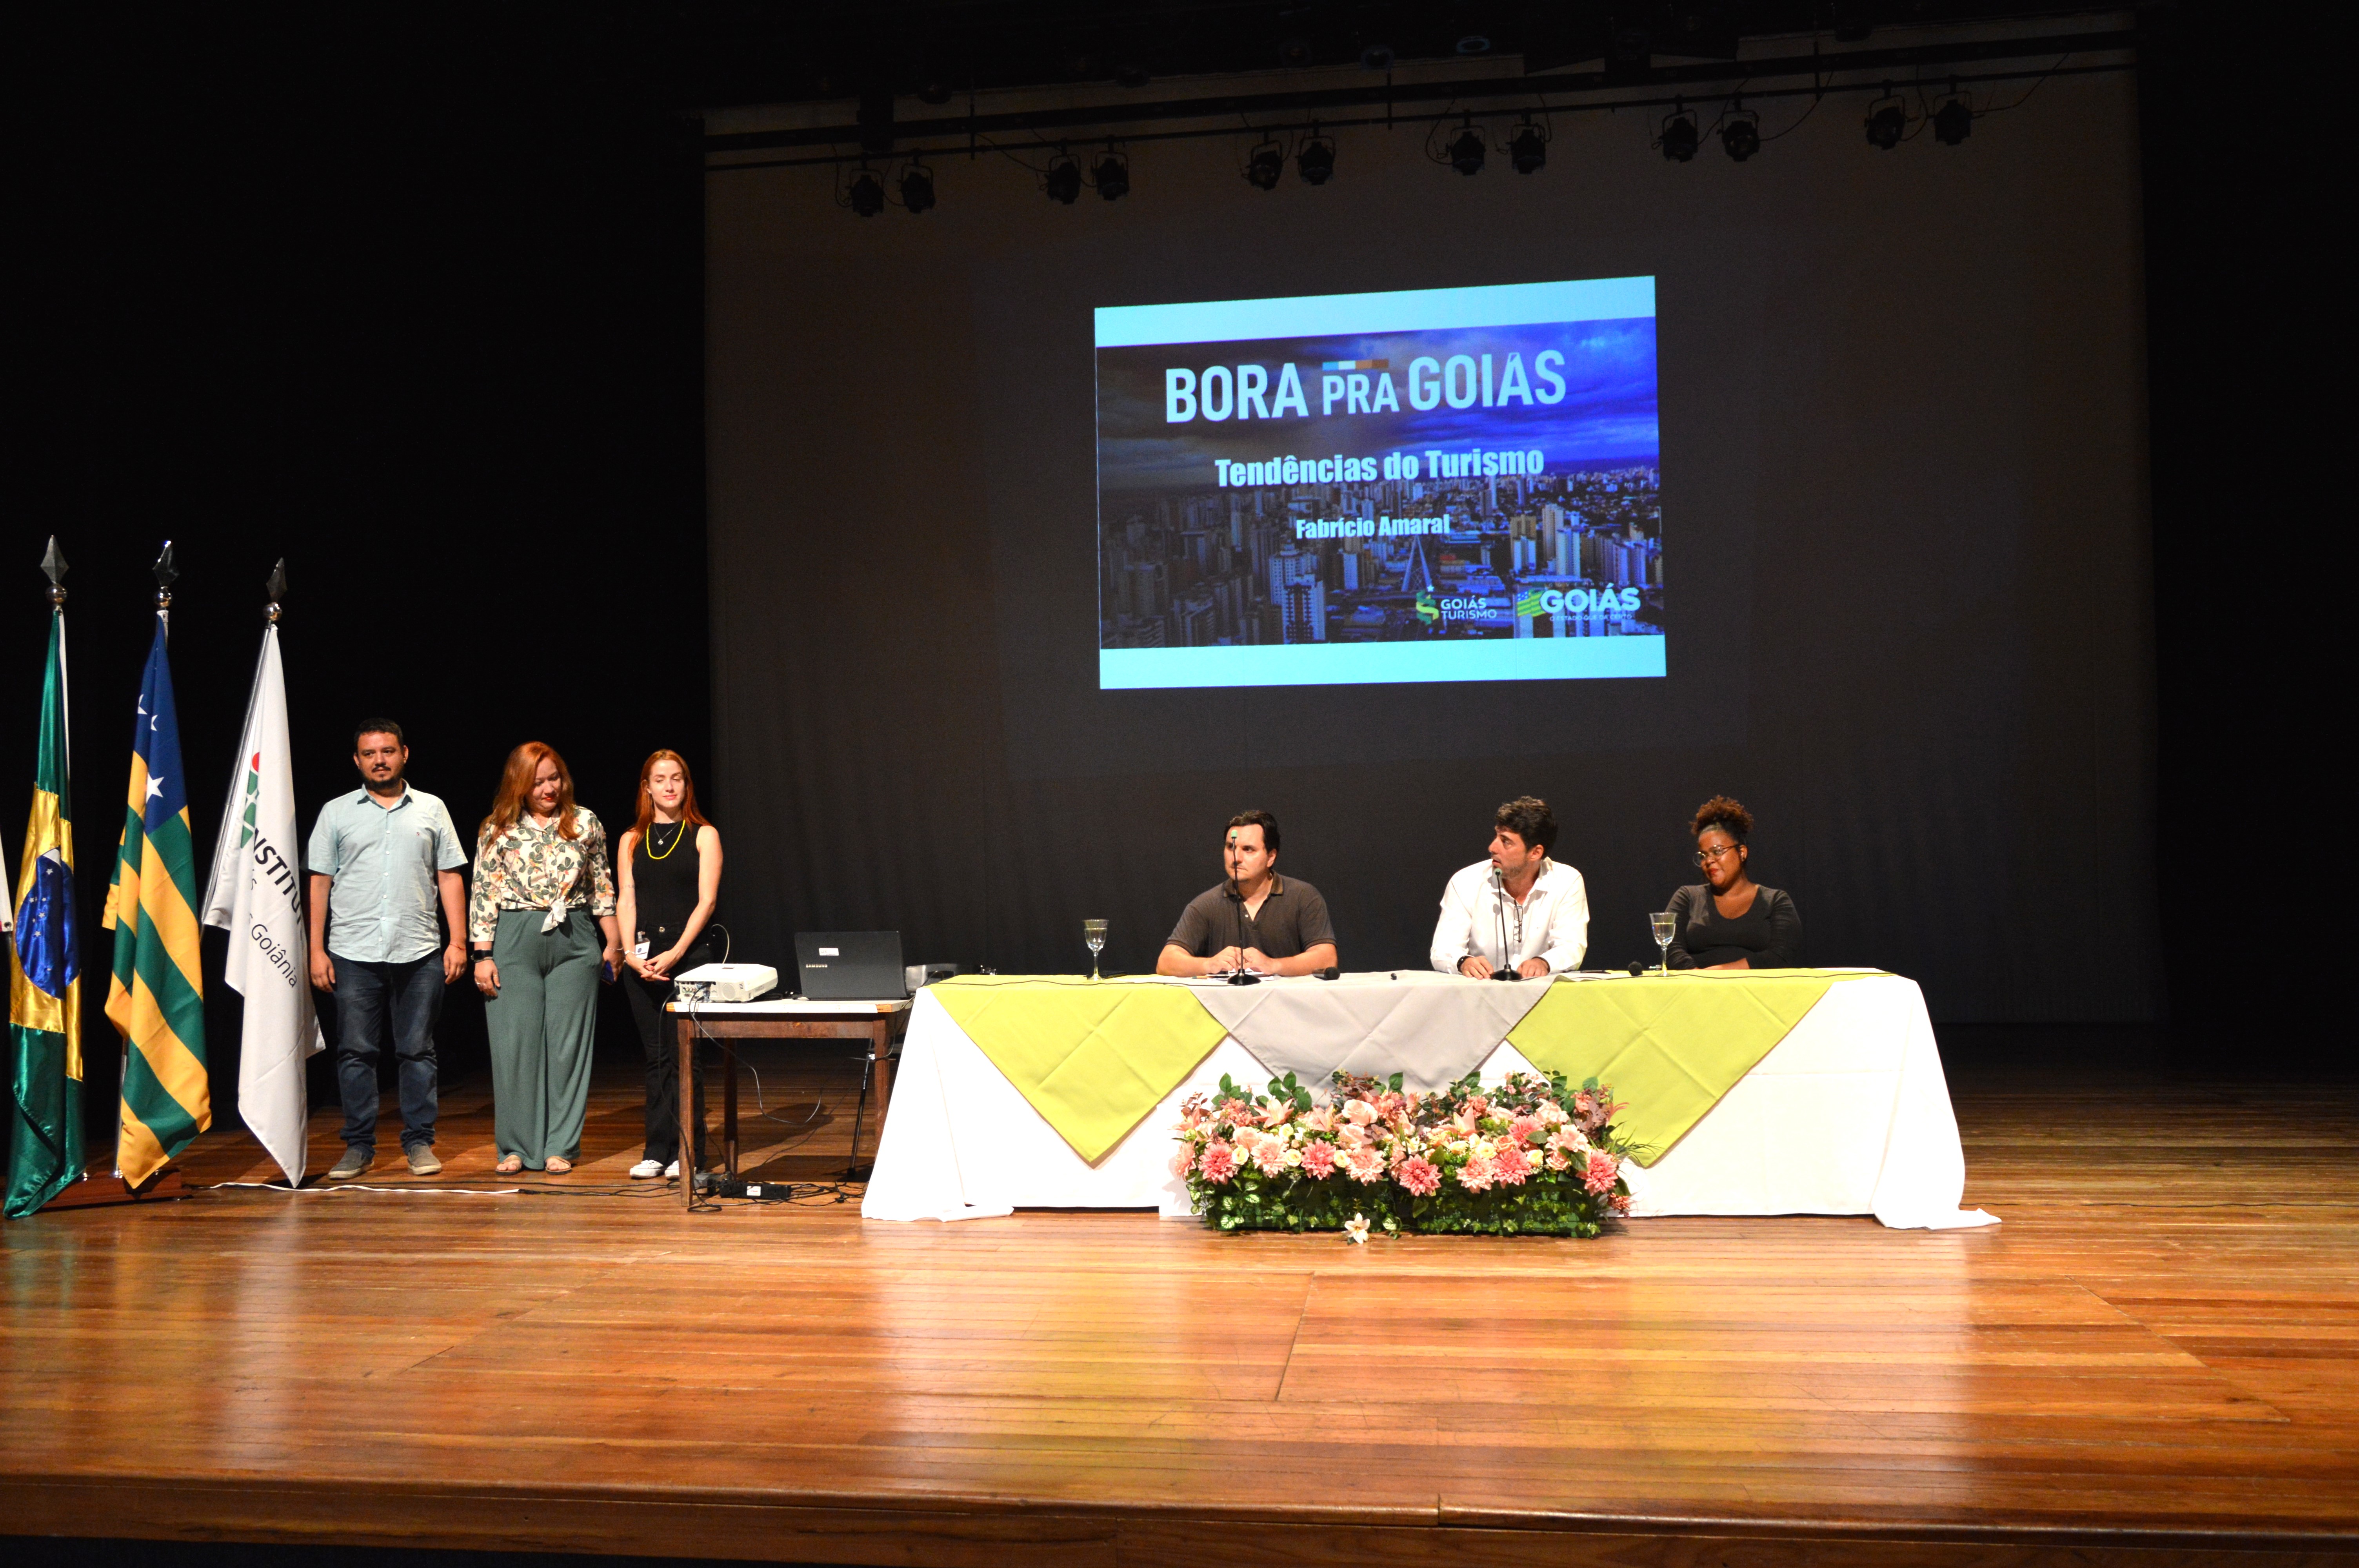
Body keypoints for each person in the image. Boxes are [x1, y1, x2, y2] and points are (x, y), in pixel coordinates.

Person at [306, 719, 470, 1180]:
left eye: (388, 751)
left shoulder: (432, 808)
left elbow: (450, 876)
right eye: (370, 753)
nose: (380, 760)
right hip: (353, 951)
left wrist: (458, 942)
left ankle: (419, 1142)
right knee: (356, 1051)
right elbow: (320, 882)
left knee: (417, 1050)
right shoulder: (336, 812)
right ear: (357, 760)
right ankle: (359, 1145)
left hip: (418, 950)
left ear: (404, 754)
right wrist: (315, 950)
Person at [468, 742, 620, 1175]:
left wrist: (612, 944)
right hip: (515, 937)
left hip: (575, 936)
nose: (548, 787)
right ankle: (517, 1146)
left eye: (554, 777)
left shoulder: (585, 822)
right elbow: (484, 892)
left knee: (568, 1047)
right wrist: (482, 954)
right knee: (516, 1045)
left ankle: (561, 1145)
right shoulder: (497, 828)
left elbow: (601, 885)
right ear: (519, 784)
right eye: (537, 781)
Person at [615, 750, 722, 1181]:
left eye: (676, 778)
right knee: (657, 1057)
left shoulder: (703, 834)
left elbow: (707, 901)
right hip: (641, 960)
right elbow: (626, 897)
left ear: (686, 783)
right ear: (647, 787)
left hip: (688, 958)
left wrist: (676, 953)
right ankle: (656, 1149)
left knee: (686, 1056)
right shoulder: (631, 839)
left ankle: (688, 1149)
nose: (669, 787)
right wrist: (628, 954)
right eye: (660, 779)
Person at [1156, 810, 1338, 978]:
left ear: (1271, 857)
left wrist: (1274, 965)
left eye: (1248, 849)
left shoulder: (1303, 897)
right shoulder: (1207, 904)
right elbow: (1166, 962)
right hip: (1226, 1010)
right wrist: (1209, 964)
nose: (1236, 858)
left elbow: (1327, 959)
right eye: (1230, 847)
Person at [1430, 796, 1589, 978]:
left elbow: (1571, 946)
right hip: (1479, 994)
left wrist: (1544, 963)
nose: (1492, 847)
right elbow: (1443, 949)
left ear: (1536, 853)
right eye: (1496, 836)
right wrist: (1463, 962)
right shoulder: (1465, 882)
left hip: (1540, 995)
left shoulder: (1567, 881)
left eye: (1506, 841)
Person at [1665, 796, 1803, 970]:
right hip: (1697, 992)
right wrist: (1699, 980)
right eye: (1703, 856)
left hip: (1757, 994)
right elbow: (1671, 949)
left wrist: (1722, 973)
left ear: (1742, 853)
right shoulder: (1688, 897)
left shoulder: (1775, 901)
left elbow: (1781, 956)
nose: (1709, 861)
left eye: (1717, 851)